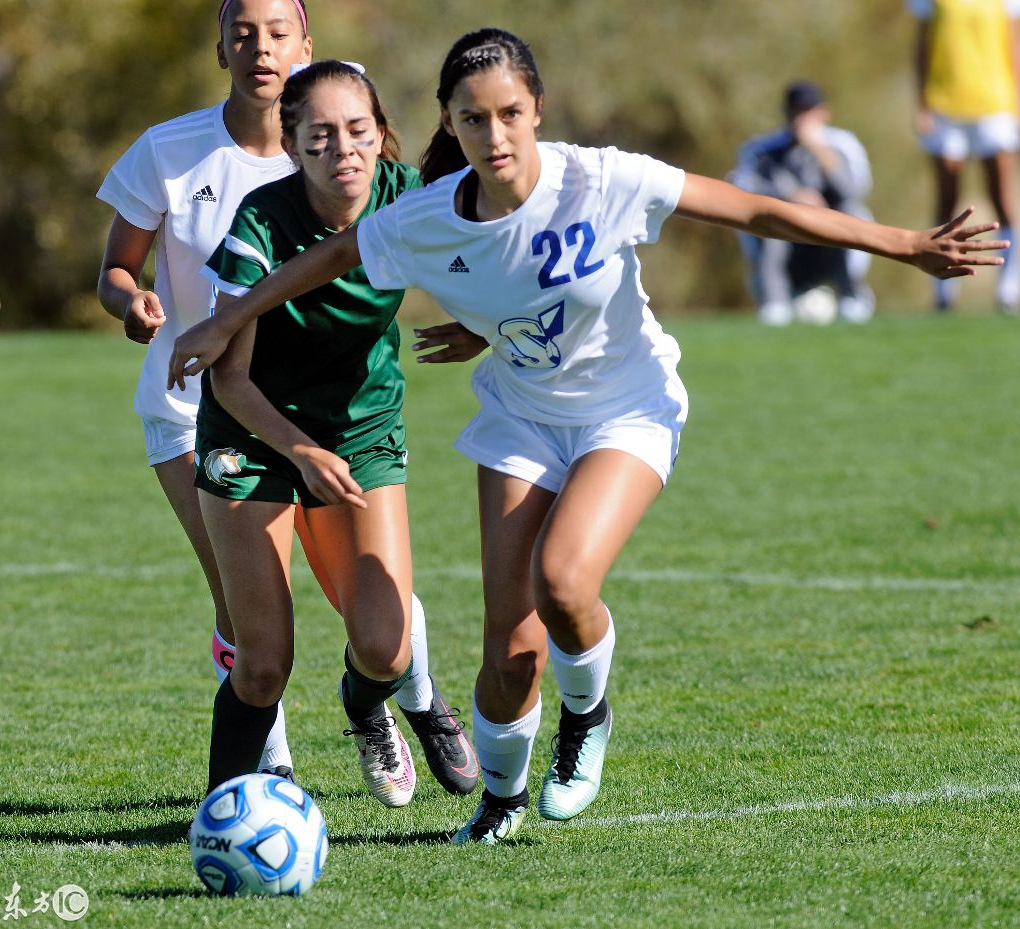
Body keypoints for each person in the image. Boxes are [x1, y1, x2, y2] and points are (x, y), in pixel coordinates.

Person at [167, 28, 1005, 843]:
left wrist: (901, 242)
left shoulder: (603, 180)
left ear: (537, 109)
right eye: (473, 119)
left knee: (563, 581)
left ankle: (588, 713)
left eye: (509, 114)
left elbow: (752, 209)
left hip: (626, 410)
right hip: (521, 418)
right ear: (448, 124)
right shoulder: (424, 214)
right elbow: (338, 254)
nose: (494, 136)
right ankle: (500, 800)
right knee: (508, 652)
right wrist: (233, 317)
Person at [96, 0, 477, 795]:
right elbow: (130, 280)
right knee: (252, 633)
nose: (260, 48)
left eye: (277, 33)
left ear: (307, 47)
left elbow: (475, 243)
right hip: (211, 408)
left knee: (379, 623)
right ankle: (253, 785)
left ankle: (398, 695)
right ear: (220, 47)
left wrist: (486, 324)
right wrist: (132, 302)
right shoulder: (196, 171)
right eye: (243, 33)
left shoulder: (381, 178)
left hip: (348, 422)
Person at [188, 58, 480, 801]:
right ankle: (223, 810)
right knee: (262, 662)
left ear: (382, 135)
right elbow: (231, 375)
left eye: (358, 130)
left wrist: (482, 326)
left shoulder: (408, 200)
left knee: (385, 646)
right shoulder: (260, 222)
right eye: (320, 136)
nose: (341, 149)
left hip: (361, 429)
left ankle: (368, 708)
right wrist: (299, 450)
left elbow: (487, 261)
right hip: (253, 436)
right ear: (291, 147)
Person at [730, 80, 875, 325]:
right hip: (786, 237)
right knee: (768, 222)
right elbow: (738, 192)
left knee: (849, 214)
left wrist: (818, 148)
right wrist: (791, 197)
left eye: (807, 111)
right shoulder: (762, 149)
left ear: (823, 113)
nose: (800, 118)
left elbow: (853, 191)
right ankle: (775, 303)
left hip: (830, 235)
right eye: (796, 111)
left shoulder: (843, 143)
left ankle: (850, 294)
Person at [909, 0, 1020, 313]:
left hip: (994, 104)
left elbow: (1013, 45)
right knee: (947, 199)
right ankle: (944, 291)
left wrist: (1017, 106)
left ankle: (1008, 289)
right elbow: (922, 47)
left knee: (1002, 197)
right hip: (945, 105)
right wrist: (922, 104)